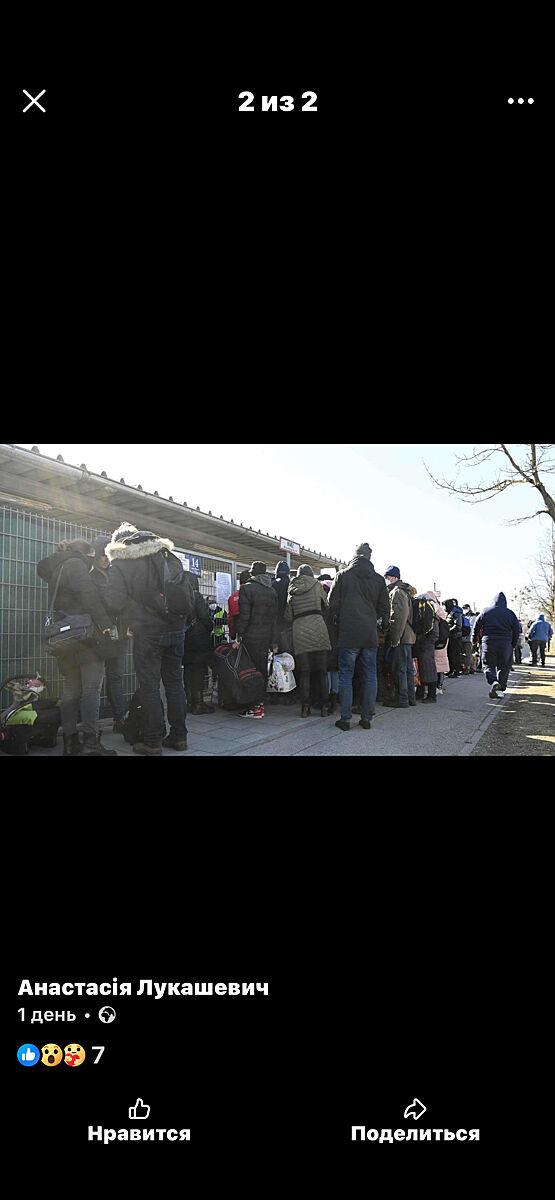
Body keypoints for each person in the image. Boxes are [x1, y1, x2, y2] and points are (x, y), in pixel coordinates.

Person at [105, 523, 194, 755]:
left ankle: (153, 741)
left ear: (121, 543)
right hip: (176, 629)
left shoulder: (123, 562)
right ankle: (179, 737)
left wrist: (128, 618)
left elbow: (114, 602)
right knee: (175, 683)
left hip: (148, 632)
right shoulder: (169, 556)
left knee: (149, 686)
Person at [37, 539, 118, 757]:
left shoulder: (58, 567)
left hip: (65, 639)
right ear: (86, 554)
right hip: (84, 638)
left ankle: (70, 744)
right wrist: (106, 625)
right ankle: (90, 743)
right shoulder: (76, 564)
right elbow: (89, 595)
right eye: (92, 556)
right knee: (91, 689)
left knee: (70, 692)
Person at [328, 543, 390, 731]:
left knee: (346, 675)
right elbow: (385, 608)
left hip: (348, 633)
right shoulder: (379, 580)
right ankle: (367, 718)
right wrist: (382, 626)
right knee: (370, 675)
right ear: (370, 557)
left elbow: (332, 603)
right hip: (370, 634)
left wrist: (337, 621)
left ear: (355, 556)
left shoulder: (343, 576)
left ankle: (345, 719)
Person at [90, 535, 130, 734]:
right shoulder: (90, 577)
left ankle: (119, 719)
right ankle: (92, 725)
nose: (106, 559)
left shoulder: (116, 574)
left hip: (120, 635)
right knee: (94, 681)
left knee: (115, 677)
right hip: (98, 635)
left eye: (108, 555)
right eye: (102, 555)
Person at [232, 562, 279, 720]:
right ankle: (260, 704)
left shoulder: (247, 589)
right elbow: (274, 620)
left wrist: (239, 635)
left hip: (250, 637)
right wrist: (274, 642)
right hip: (265, 637)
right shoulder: (272, 591)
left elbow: (244, 615)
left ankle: (254, 707)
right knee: (261, 670)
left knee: (250, 671)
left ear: (252, 574)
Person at [285, 565, 331, 717]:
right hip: (318, 630)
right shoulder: (317, 585)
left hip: (299, 632)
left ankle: (305, 708)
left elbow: (288, 615)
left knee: (305, 672)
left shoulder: (292, 589)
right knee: (322, 672)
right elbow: (326, 605)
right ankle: (324, 707)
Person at [473, 592, 521, 699]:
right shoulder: (511, 614)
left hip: (489, 641)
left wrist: (474, 638)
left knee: (488, 664)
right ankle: (500, 689)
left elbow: (476, 626)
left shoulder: (486, 611)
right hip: (505, 643)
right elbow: (516, 630)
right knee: (504, 667)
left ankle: (493, 681)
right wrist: (513, 644)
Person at [382, 567, 416, 710]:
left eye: (388, 577)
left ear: (395, 577)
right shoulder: (405, 591)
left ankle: (402, 698)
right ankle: (410, 697)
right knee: (407, 669)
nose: (387, 580)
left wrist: (395, 638)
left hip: (402, 636)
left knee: (400, 669)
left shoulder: (397, 592)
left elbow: (398, 617)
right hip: (408, 636)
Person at [183, 579, 216, 714]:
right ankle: (198, 703)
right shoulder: (196, 595)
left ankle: (190, 702)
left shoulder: (179, 595)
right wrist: (210, 626)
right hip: (198, 639)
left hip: (184, 638)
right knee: (198, 670)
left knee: (188, 670)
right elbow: (204, 616)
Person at [413, 594, 440, 702]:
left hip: (426, 645)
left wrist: (422, 640)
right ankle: (421, 693)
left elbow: (433, 634)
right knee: (423, 669)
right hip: (426, 645)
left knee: (428, 669)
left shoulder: (430, 617)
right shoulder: (432, 615)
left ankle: (431, 695)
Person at [319, 575, 340, 713]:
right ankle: (334, 700)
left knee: (326, 671)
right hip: (337, 642)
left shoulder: (322, 607)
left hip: (325, 642)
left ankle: (326, 701)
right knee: (335, 671)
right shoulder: (339, 605)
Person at [427, 590, 450, 695]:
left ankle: (436, 686)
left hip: (435, 640)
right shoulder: (440, 610)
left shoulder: (433, 608)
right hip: (443, 641)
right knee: (441, 664)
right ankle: (439, 686)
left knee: (436, 664)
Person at [228, 570, 251, 641]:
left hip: (239, 633)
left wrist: (232, 634)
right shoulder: (253, 595)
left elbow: (231, 619)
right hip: (253, 631)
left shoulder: (232, 598)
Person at [445, 599, 464, 677]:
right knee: (450, 653)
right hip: (451, 635)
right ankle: (451, 669)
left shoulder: (456, 612)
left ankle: (456, 671)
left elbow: (458, 625)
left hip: (455, 636)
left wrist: (448, 630)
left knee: (455, 654)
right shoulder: (451, 612)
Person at [461, 605, 475, 674]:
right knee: (469, 654)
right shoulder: (464, 616)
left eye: (465, 608)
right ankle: (471, 668)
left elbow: (472, 627)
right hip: (467, 637)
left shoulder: (472, 616)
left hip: (467, 637)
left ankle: (468, 668)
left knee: (467, 654)